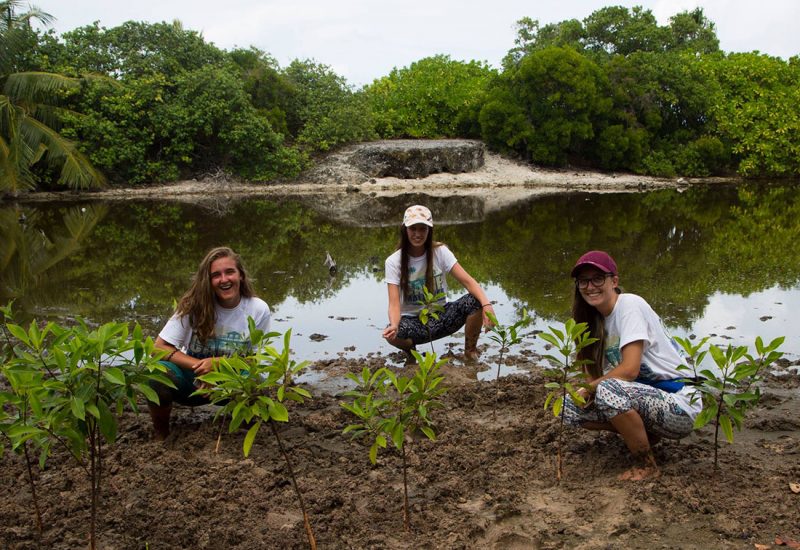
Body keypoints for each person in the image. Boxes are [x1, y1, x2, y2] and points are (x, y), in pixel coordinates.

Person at [563, 250, 701, 480]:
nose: (590, 286)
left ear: (614, 281)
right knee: (569, 406)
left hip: (679, 403)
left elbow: (629, 370)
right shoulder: (590, 322)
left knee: (608, 389)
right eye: (583, 281)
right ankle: (645, 435)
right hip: (642, 398)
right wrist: (586, 390)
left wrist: (590, 388)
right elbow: (592, 379)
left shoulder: (630, 305)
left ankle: (647, 465)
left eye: (598, 279)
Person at [148, 246, 271, 439]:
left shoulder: (258, 309)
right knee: (158, 374)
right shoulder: (193, 305)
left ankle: (243, 433)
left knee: (257, 384)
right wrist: (201, 367)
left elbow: (254, 360)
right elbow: (158, 348)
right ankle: (161, 436)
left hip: (231, 382)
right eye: (216, 275)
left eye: (230, 272)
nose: (224, 279)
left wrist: (218, 365)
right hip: (192, 383)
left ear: (241, 276)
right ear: (208, 280)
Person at [382, 204, 495, 363]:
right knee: (393, 335)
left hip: (441, 316)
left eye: (423, 229)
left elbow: (468, 281)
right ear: (404, 230)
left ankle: (470, 352)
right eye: (413, 229)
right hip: (414, 322)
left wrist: (486, 305)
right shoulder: (394, 262)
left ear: (429, 231)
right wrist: (394, 325)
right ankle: (411, 352)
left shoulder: (440, 251)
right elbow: (394, 304)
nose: (418, 234)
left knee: (474, 301)